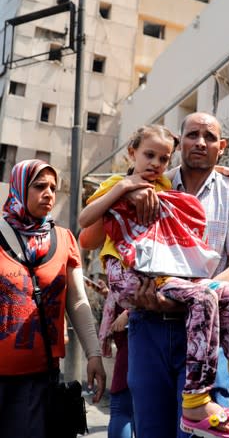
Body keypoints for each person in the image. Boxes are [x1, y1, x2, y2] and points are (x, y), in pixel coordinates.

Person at [79, 124, 229, 438]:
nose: (200, 143)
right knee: (151, 428)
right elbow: (88, 235)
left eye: (210, 137)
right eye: (192, 135)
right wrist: (125, 188)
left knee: (226, 296)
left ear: (222, 146)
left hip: (201, 322)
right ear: (182, 144)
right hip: (148, 322)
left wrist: (187, 295)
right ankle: (198, 401)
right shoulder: (157, 180)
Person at [0, 159, 106, 438]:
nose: (48, 193)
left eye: (53, 188)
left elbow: (78, 303)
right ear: (19, 188)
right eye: (39, 186)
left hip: (39, 378)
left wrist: (93, 354)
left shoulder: (64, 239)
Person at [85, 277, 135, 438]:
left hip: (136, 336)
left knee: (123, 407)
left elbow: (155, 288)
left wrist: (129, 312)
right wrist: (109, 294)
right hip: (129, 339)